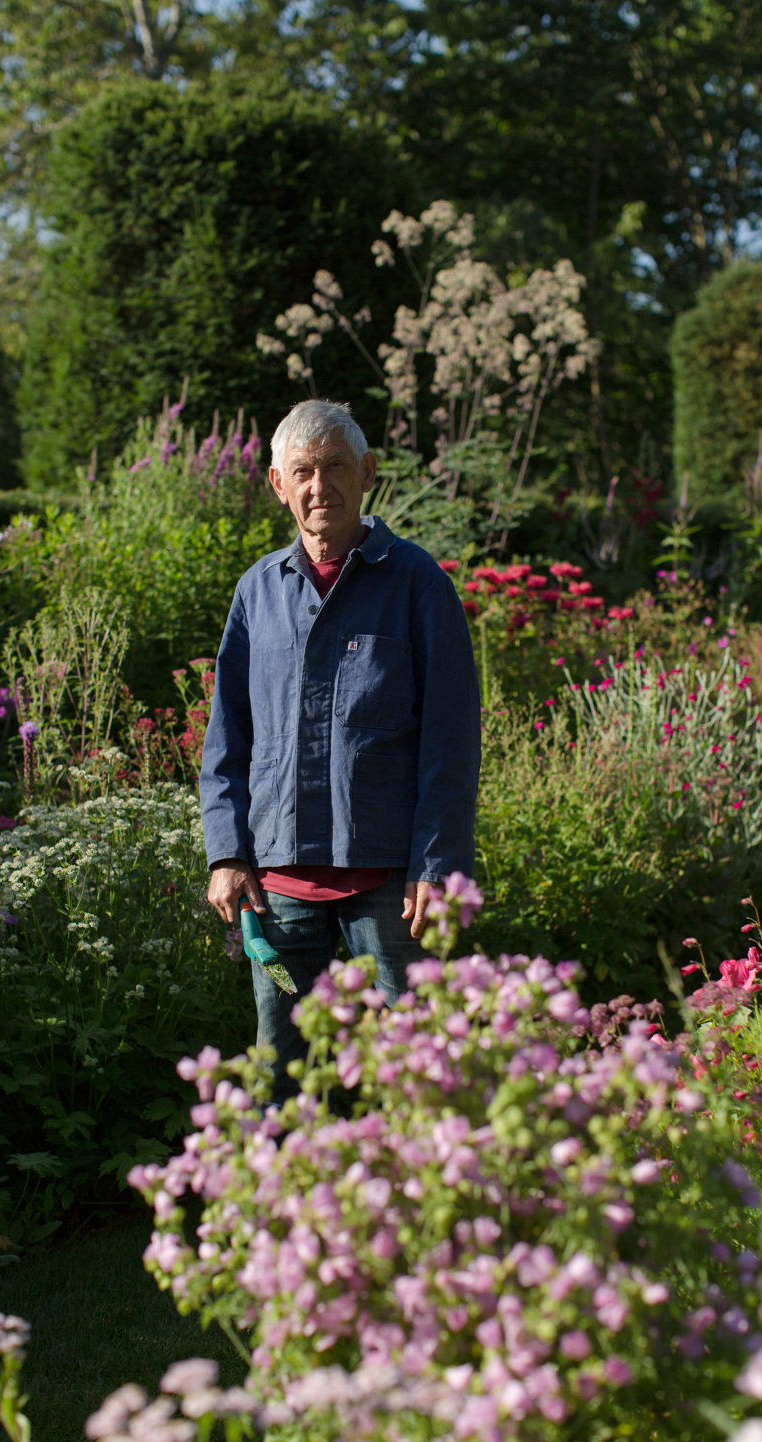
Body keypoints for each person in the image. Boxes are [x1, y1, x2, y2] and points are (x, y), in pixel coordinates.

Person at [200, 398, 481, 1102]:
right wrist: (228, 852)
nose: (319, 486)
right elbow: (227, 735)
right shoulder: (257, 591)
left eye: (334, 468)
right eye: (303, 471)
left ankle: (414, 1208)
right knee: (286, 1079)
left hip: (391, 884)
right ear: (277, 483)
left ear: (368, 473)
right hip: (279, 882)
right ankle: (291, 1208)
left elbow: (451, 740)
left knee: (413, 1076)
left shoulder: (418, 585)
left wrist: (437, 865)